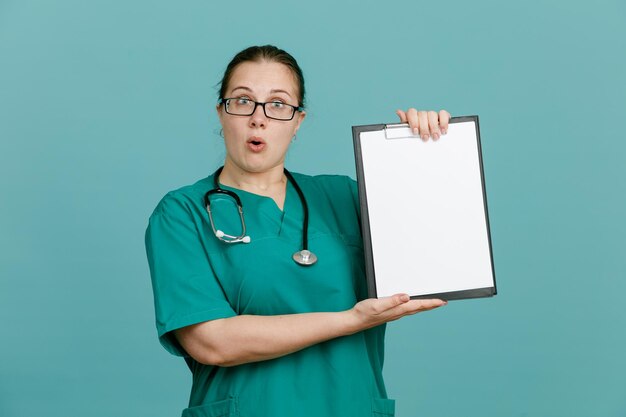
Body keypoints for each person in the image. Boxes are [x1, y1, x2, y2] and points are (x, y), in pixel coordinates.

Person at [145, 45, 450, 417]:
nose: (259, 119)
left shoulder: (347, 196)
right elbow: (212, 343)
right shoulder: (183, 213)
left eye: (278, 105)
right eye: (242, 101)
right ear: (221, 114)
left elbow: (436, 241)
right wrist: (350, 320)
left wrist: (425, 148)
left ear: (298, 121)